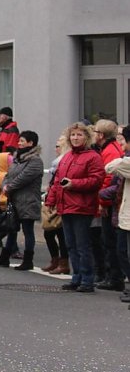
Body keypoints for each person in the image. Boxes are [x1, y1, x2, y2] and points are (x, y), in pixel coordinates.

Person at [45, 122, 105, 293]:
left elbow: (96, 180)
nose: (76, 138)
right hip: (66, 206)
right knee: (71, 244)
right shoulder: (68, 156)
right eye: (73, 135)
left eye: (79, 135)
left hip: (82, 206)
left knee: (82, 245)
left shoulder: (93, 156)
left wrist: (74, 184)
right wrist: (51, 200)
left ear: (86, 137)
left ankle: (87, 279)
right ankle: (77, 277)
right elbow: (57, 181)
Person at [0, 131, 44, 271]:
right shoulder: (17, 158)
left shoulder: (35, 160)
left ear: (31, 143)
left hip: (28, 200)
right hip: (14, 200)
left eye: (22, 141)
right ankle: (4, 258)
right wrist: (5, 185)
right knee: (11, 229)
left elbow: (25, 177)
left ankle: (28, 260)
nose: (19, 143)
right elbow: (8, 175)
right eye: (19, 141)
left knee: (28, 231)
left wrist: (10, 187)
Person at [94, 119, 125, 291]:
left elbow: (108, 178)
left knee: (109, 241)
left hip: (109, 201)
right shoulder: (109, 149)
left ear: (101, 134)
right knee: (108, 241)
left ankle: (114, 277)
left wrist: (102, 202)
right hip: (109, 200)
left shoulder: (110, 151)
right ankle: (112, 275)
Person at [104, 125, 130, 308]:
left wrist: (123, 158)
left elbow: (111, 166)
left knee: (125, 253)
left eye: (122, 140)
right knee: (121, 252)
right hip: (123, 214)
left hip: (126, 215)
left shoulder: (126, 161)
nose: (120, 143)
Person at [41, 136, 70, 274]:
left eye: (58, 146)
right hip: (54, 198)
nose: (55, 148)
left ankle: (63, 262)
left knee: (59, 233)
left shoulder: (63, 162)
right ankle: (56, 260)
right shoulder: (57, 164)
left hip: (61, 200)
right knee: (50, 232)